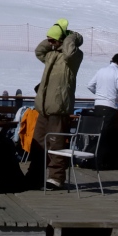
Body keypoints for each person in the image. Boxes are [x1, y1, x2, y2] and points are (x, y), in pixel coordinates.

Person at [25, 20, 84, 191]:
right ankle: (35, 175)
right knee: (38, 143)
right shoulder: (51, 55)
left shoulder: (72, 57)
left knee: (56, 145)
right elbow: (39, 50)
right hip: (44, 108)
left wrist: (70, 37)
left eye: (53, 40)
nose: (50, 43)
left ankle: (56, 178)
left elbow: (69, 53)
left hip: (59, 108)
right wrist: (52, 35)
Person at [87, 53, 118, 168]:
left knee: (99, 133)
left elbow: (90, 85)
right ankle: (102, 162)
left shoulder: (101, 70)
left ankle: (92, 159)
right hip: (110, 107)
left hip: (97, 106)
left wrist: (99, 95)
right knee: (107, 135)